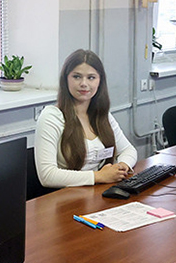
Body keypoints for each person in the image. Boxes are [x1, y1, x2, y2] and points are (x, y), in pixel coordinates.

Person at [35, 49, 138, 188]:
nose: (84, 83)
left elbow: (128, 150)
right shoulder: (51, 117)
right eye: (77, 77)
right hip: (67, 195)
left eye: (91, 77)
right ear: (66, 79)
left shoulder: (102, 114)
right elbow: (47, 175)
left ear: (100, 81)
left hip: (97, 191)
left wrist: (121, 166)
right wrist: (99, 176)